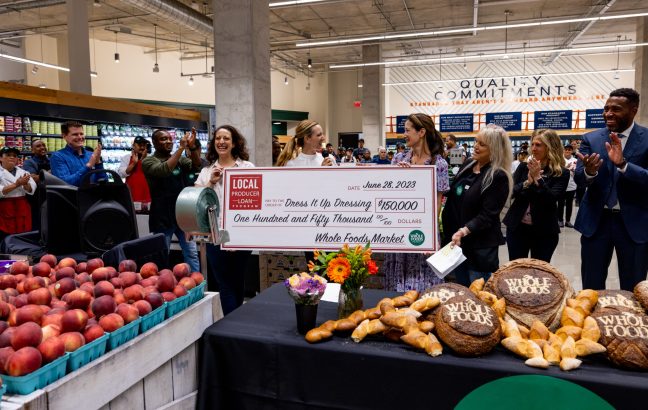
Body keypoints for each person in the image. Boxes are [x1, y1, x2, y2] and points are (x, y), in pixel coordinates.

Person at [575, 88, 648, 291]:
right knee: (591, 286)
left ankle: (630, 322)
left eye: (616, 109)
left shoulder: (647, 138)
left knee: (633, 287)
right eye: (606, 108)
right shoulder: (591, 139)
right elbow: (579, 179)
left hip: (634, 224)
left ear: (633, 110)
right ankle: (592, 322)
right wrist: (589, 172)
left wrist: (624, 165)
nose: (608, 113)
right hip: (596, 222)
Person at [383, 113, 449, 292]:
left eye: (407, 130)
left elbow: (437, 203)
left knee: (424, 283)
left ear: (421, 132)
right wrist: (398, 176)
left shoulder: (439, 164)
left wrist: (431, 236)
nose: (404, 134)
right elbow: (386, 194)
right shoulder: (398, 160)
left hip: (422, 231)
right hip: (398, 230)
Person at [442, 124, 513, 286]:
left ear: (494, 149)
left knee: (479, 296)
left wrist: (463, 231)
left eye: (482, 144)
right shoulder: (469, 163)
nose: (476, 146)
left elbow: (488, 215)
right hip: (458, 245)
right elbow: (453, 191)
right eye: (476, 141)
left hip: (479, 248)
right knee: (462, 291)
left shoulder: (498, 176)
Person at [195, 125, 254, 315]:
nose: (221, 142)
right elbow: (195, 200)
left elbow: (255, 200)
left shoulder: (247, 167)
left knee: (238, 281)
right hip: (215, 235)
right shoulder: (206, 171)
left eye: (226, 138)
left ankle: (235, 322)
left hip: (242, 234)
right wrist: (211, 182)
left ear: (234, 143)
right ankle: (233, 323)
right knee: (225, 283)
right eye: (218, 138)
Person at [503, 129, 569, 263]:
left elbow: (551, 199)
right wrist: (527, 182)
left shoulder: (561, 172)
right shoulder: (523, 167)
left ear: (550, 147)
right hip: (517, 228)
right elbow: (511, 192)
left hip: (544, 231)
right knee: (516, 270)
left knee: (539, 272)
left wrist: (538, 178)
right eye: (532, 144)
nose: (533, 148)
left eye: (538, 145)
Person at [142, 128, 202, 273]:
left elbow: (196, 165)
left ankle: (197, 283)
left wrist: (192, 147)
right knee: (162, 254)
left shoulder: (180, 159)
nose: (168, 141)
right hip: (162, 215)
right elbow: (164, 170)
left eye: (169, 138)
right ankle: (163, 285)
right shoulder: (148, 161)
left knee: (192, 253)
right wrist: (181, 148)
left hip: (183, 213)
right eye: (163, 139)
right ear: (154, 143)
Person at [0, 146, 37, 244]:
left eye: (15, 156)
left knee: (23, 234)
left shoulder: (24, 172)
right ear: (1, 158)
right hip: (4, 207)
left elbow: (32, 189)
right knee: (5, 236)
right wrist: (17, 184)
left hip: (22, 206)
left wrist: (26, 184)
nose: (12, 157)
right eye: (8, 155)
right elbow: (1, 191)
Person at [50, 121, 104, 187]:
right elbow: (65, 183)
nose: (80, 137)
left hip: (94, 196)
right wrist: (88, 166)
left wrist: (98, 163)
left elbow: (103, 181)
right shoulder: (57, 157)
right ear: (64, 136)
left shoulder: (91, 154)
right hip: (74, 197)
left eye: (81, 134)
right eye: (75, 134)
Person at [22, 139, 50, 230]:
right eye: (38, 146)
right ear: (32, 150)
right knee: (38, 222)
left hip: (50, 195)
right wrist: (52, 172)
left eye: (43, 145)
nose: (42, 147)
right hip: (37, 198)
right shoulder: (29, 162)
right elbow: (33, 179)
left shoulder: (51, 160)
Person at [117, 136, 151, 204]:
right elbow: (121, 174)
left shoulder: (150, 158)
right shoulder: (126, 157)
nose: (142, 147)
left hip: (146, 192)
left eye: (144, 145)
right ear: (133, 146)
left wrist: (144, 160)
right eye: (139, 145)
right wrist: (133, 163)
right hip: (131, 192)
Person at [557, 144, 577, 228]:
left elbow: (578, 172)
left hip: (571, 185)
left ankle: (568, 221)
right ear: (563, 150)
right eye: (566, 149)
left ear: (572, 151)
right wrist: (566, 168)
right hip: (561, 186)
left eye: (569, 150)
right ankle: (560, 220)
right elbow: (557, 171)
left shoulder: (575, 160)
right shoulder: (560, 160)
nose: (568, 151)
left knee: (569, 204)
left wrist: (573, 170)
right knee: (560, 204)